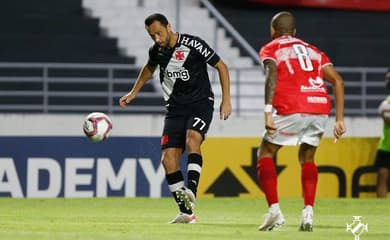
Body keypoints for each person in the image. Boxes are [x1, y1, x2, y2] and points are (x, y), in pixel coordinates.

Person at [119, 13, 232, 224]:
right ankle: (187, 213)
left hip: (200, 103)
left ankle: (192, 191)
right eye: (152, 36)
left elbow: (221, 66)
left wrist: (227, 100)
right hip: (174, 109)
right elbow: (149, 68)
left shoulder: (193, 44)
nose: (157, 39)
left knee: (192, 139)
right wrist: (133, 92)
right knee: (168, 160)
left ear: (168, 26)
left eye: (159, 33)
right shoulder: (157, 50)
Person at [256, 11, 346, 232]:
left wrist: (268, 111)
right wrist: (339, 120)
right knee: (307, 157)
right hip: (319, 106)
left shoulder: (271, 48)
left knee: (266, 152)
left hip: (292, 106)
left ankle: (275, 212)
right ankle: (308, 212)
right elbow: (337, 80)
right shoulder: (314, 51)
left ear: (273, 31)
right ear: (295, 31)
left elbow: (272, 75)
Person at [375, 68, 390, 198]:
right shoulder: (387, 102)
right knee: (382, 178)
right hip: (386, 146)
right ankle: (382, 208)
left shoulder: (386, 104)